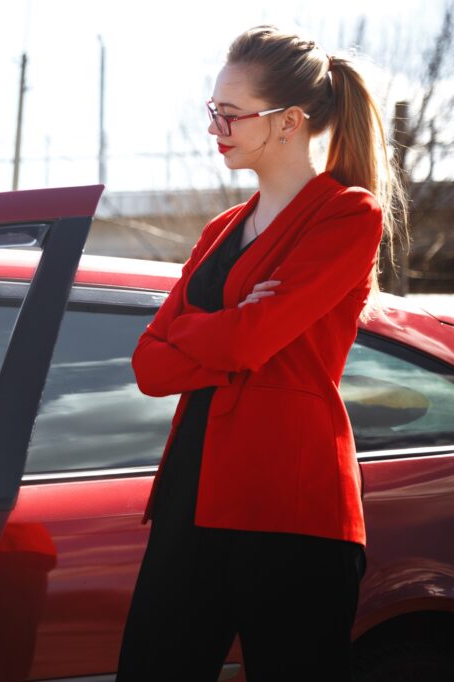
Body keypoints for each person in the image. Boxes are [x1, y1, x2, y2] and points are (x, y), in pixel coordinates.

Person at [117, 26, 405, 681]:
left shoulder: (347, 215)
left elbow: (248, 341)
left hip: (292, 507)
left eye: (232, 113)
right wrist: (237, 327)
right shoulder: (222, 228)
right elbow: (148, 364)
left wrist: (216, 333)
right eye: (212, 110)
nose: (215, 126)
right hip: (191, 499)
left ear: (289, 122)